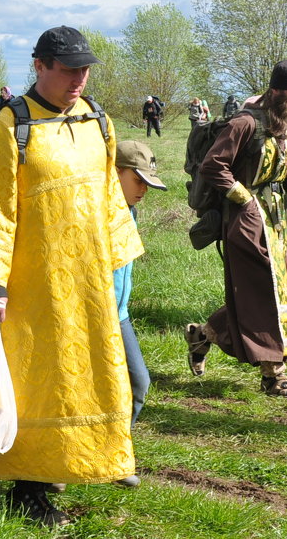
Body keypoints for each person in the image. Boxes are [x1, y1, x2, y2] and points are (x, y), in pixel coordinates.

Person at [0, 26, 143, 526]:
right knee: (37, 381)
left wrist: (117, 261)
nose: (79, 79)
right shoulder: (7, 128)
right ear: (40, 66)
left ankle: (77, 462)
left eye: (85, 69)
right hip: (32, 286)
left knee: (89, 375)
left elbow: (109, 192)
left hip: (87, 283)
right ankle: (29, 489)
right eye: (69, 70)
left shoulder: (96, 120)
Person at [185, 60, 287, 399]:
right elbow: (213, 165)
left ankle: (204, 334)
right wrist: (244, 199)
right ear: (275, 91)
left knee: (266, 291)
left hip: (278, 221)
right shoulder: (245, 123)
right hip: (244, 222)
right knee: (265, 293)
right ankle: (275, 376)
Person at [113, 140, 166, 437]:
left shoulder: (130, 210)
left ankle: (115, 451)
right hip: (94, 314)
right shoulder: (96, 213)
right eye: (138, 181)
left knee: (138, 384)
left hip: (119, 314)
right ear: (114, 171)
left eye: (148, 183)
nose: (143, 190)